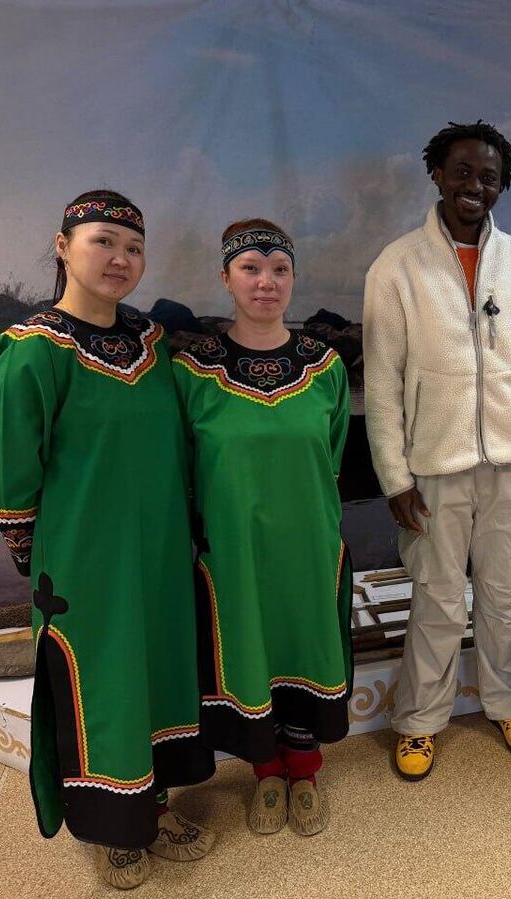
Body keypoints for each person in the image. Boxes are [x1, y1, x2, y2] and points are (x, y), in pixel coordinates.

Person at [0, 190, 215, 890]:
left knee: (159, 673)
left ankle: (154, 803)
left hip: (160, 552)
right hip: (84, 559)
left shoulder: (153, 343)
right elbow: (13, 467)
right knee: (102, 682)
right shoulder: (33, 349)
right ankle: (110, 826)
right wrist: (31, 554)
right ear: (63, 247)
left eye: (134, 247)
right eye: (103, 241)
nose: (120, 258)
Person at [363, 120, 511, 780]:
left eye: (489, 176)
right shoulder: (396, 266)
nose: (475, 186)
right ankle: (420, 721)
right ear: (437, 175)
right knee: (437, 599)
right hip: (434, 467)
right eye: (463, 172)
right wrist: (395, 476)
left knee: (506, 596)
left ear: (503, 185)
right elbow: (383, 382)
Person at [174, 219, 352, 837]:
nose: (266, 282)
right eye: (250, 268)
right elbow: (183, 466)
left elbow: (332, 455)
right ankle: (266, 772)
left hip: (306, 542)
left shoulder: (324, 366)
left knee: (306, 647)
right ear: (226, 278)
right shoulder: (194, 370)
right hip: (233, 549)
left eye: (279, 269)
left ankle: (304, 771)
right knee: (249, 651)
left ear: (294, 279)